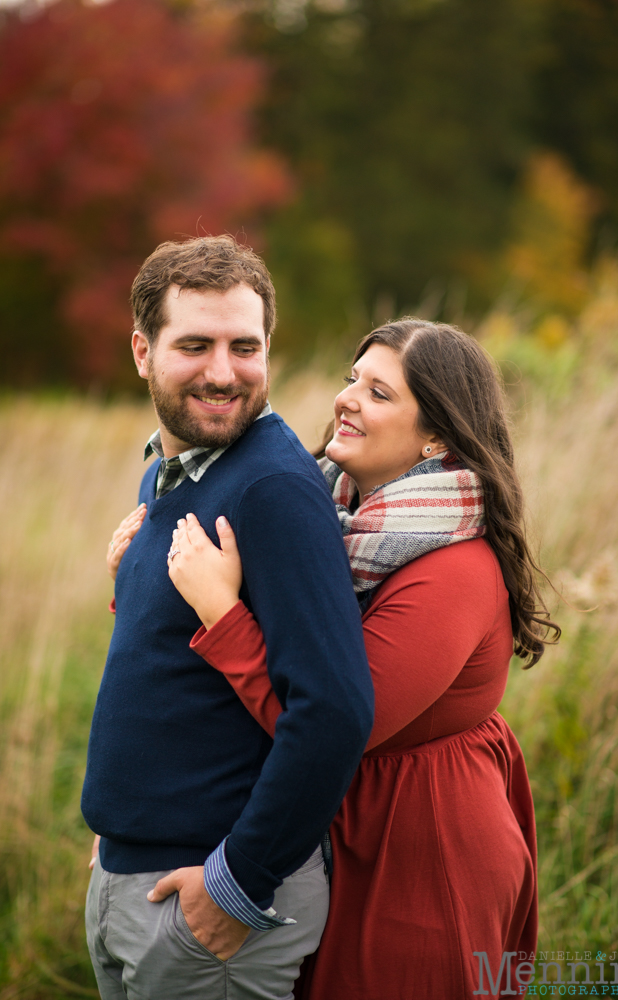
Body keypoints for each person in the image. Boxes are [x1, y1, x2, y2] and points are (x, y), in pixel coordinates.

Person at [127, 318, 561, 1000]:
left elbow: (329, 721)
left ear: (437, 437)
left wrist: (222, 612)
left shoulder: (454, 573)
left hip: (418, 845)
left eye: (379, 392)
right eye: (350, 378)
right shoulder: (330, 524)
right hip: (326, 823)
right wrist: (146, 570)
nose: (347, 398)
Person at [81, 235, 374, 1000]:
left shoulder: (270, 489)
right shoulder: (169, 474)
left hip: (210, 911)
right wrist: (120, 826)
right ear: (143, 351)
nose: (221, 372)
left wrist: (237, 886)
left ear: (269, 346)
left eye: (243, 346)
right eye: (195, 345)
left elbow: (335, 710)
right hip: (137, 877)